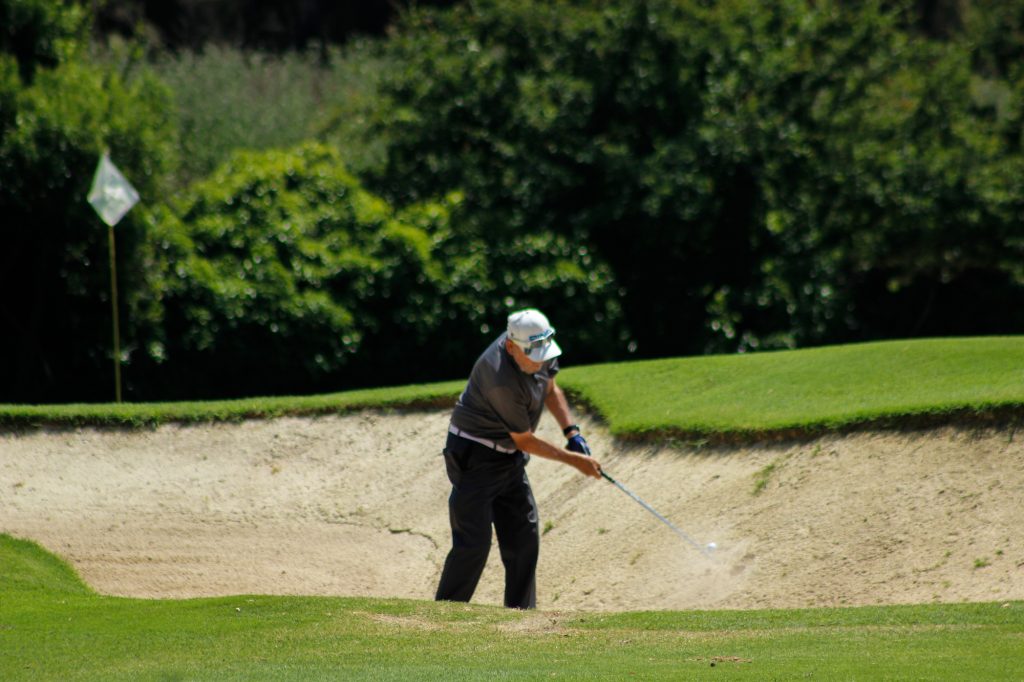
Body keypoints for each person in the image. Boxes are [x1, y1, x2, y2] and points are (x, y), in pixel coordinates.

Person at [435, 308, 602, 609]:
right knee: (473, 544)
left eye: (544, 352)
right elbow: (525, 440)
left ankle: (521, 619)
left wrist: (571, 431)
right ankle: (444, 615)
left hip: (508, 458)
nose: (540, 360)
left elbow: (551, 388)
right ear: (511, 347)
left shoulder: (538, 349)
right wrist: (575, 461)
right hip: (474, 454)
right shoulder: (499, 377)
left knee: (524, 540)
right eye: (533, 354)